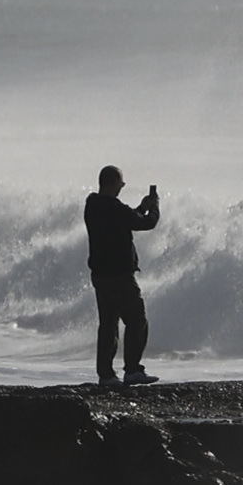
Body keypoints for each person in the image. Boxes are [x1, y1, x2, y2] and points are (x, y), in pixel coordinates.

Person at [84, 164, 161, 387]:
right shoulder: (113, 207)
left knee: (108, 325)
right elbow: (146, 223)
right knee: (137, 320)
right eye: (121, 183)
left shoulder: (93, 206)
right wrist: (154, 208)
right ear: (113, 184)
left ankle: (106, 375)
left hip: (101, 275)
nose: (122, 187)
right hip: (119, 276)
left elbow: (127, 219)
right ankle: (133, 370)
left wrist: (140, 207)